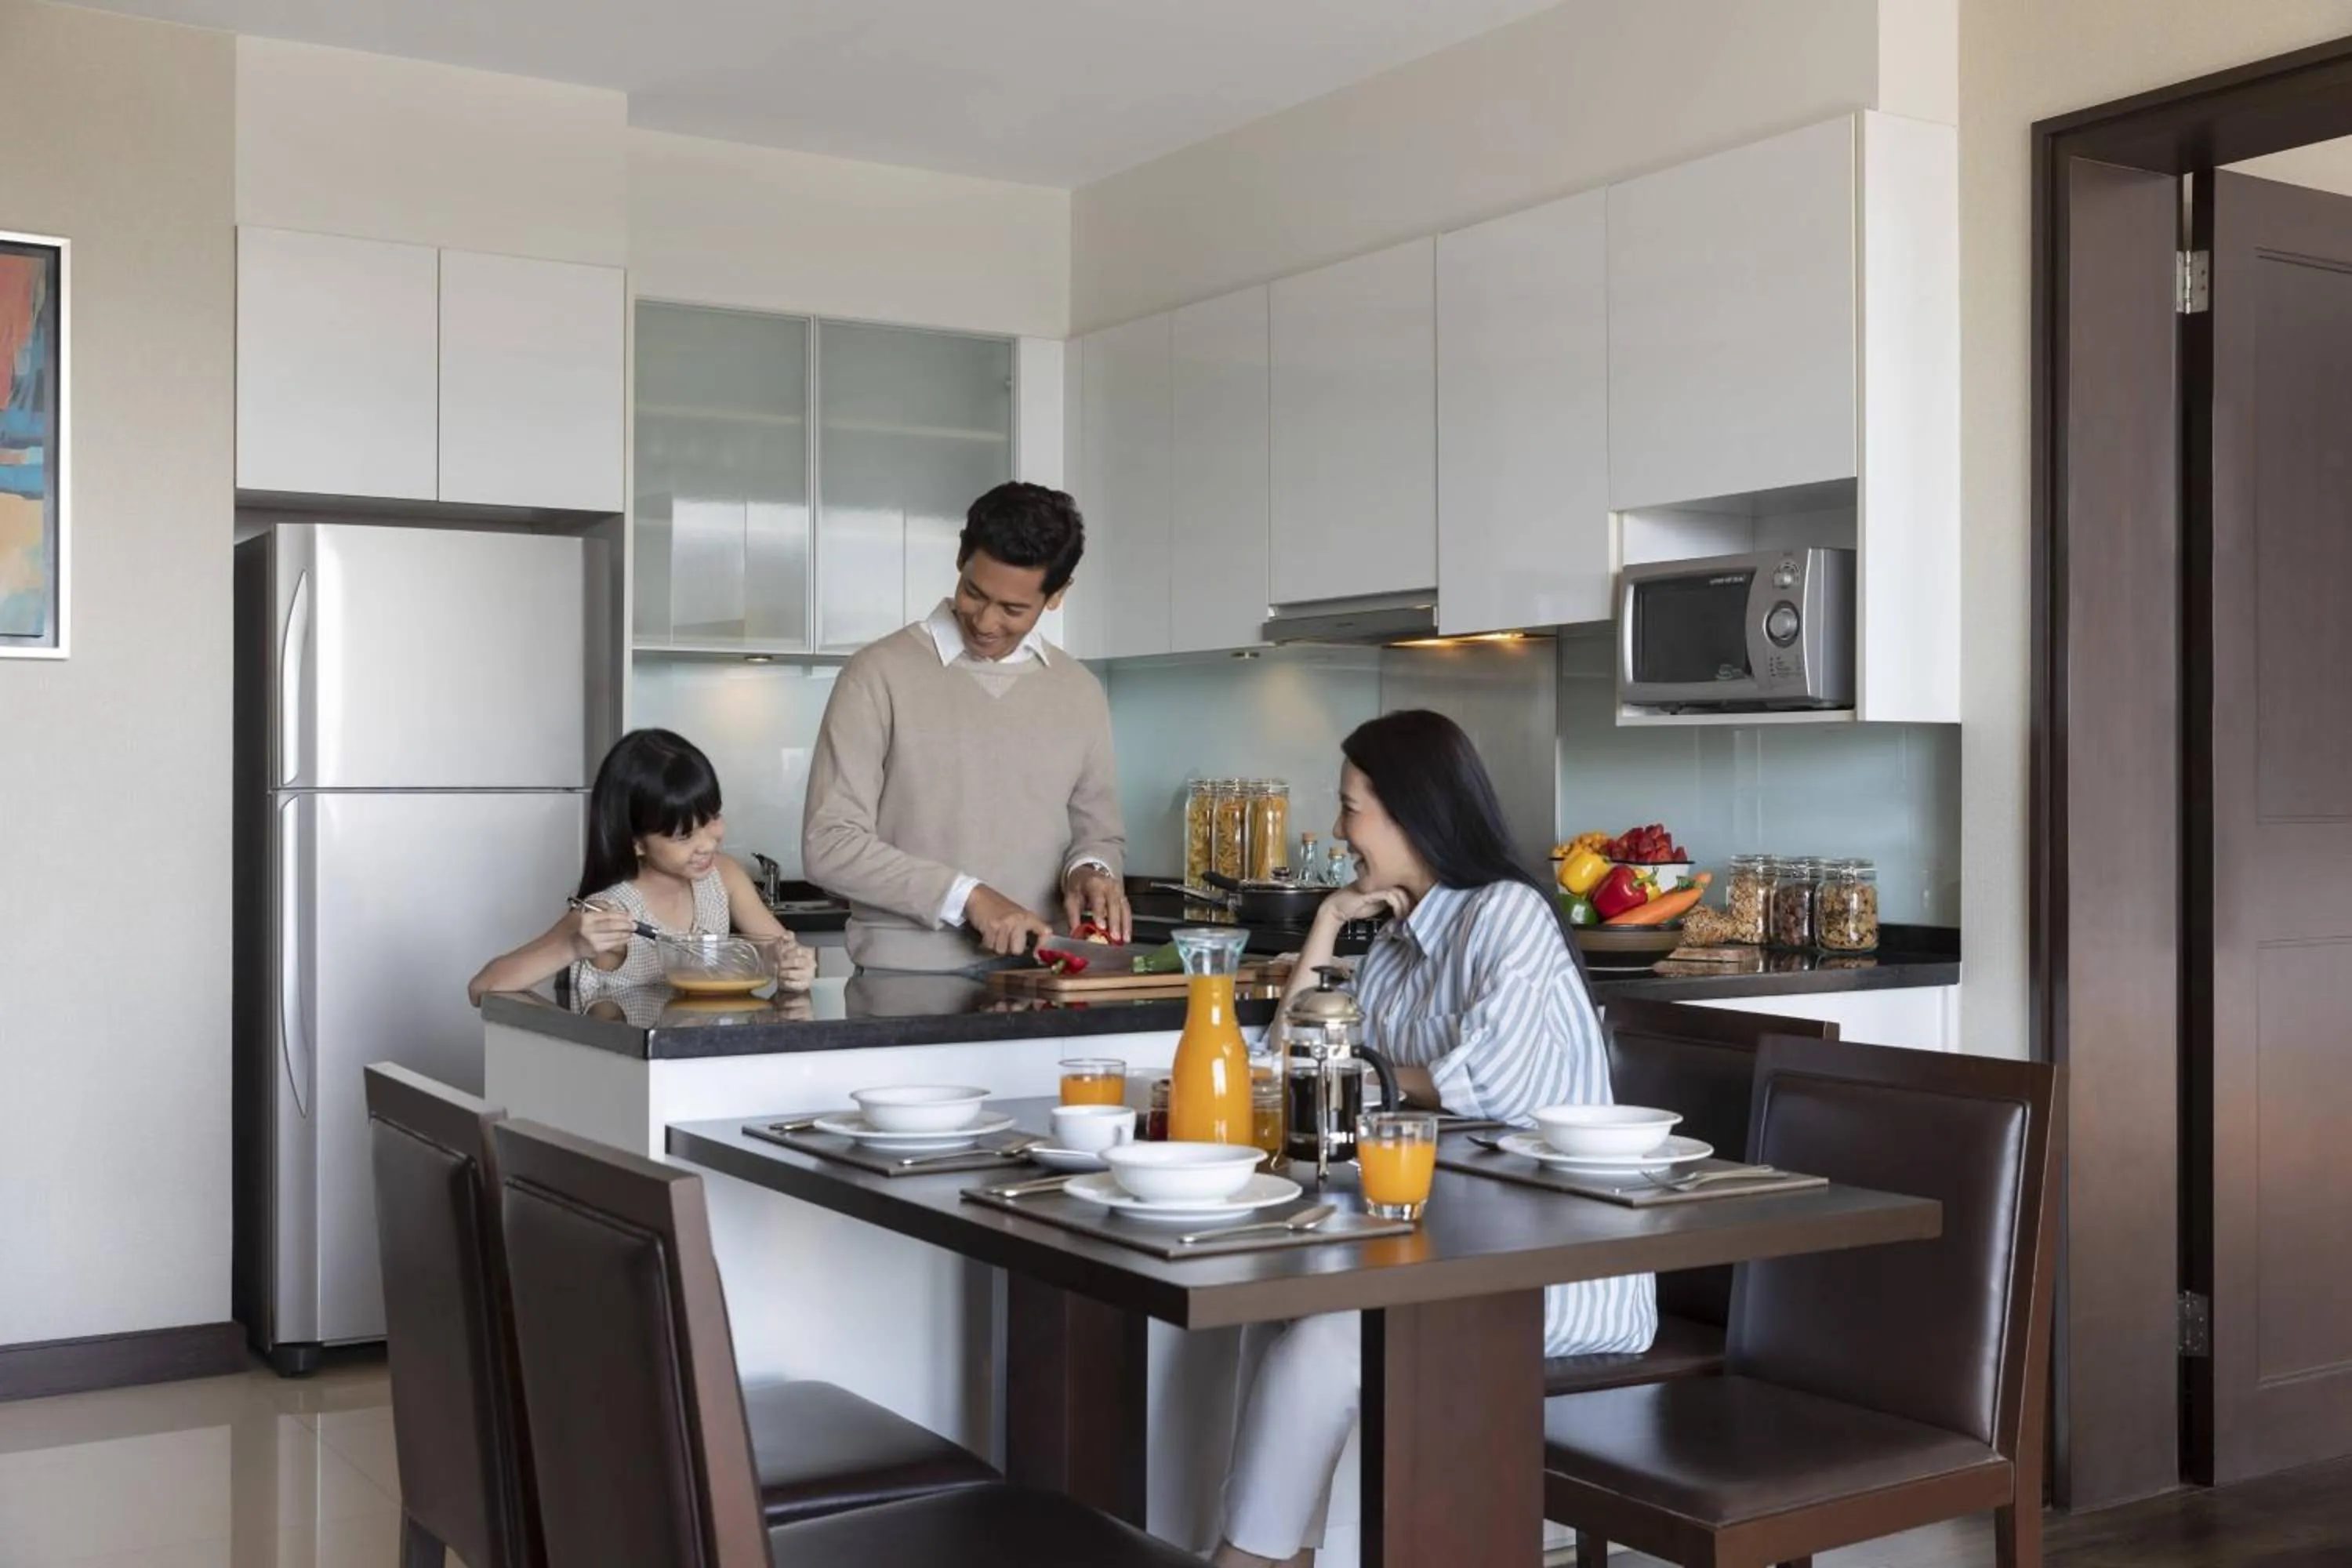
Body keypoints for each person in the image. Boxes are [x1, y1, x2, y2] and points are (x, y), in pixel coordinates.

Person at [1211, 710, 1656, 1568]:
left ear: (1410, 812)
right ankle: (1278, 1558)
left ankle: (1244, 1564)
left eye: (1351, 808)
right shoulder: (1396, 943)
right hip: (1450, 1246)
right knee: (1272, 1308)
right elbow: (1288, 1063)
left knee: (1334, 1333)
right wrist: (1329, 924)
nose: (1339, 830)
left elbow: (1489, 1078)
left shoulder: (1507, 915)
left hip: (1561, 1269)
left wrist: (1363, 1062)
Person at [801, 481, 1128, 972]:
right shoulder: (877, 673)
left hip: (1045, 978)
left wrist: (1091, 872)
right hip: (905, 981)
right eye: (975, 593)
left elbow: (1097, 835)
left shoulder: (1078, 690)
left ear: (1057, 595)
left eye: (1014, 609)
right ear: (960, 557)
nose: (986, 621)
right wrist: (967, 896)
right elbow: (830, 845)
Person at [466, 728, 817, 1005]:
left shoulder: (723, 877)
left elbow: (774, 948)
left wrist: (790, 964)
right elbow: (483, 988)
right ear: (636, 841)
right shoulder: (607, 913)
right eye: (684, 837)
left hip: (702, 1061)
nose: (708, 844)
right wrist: (573, 945)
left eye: (712, 818)